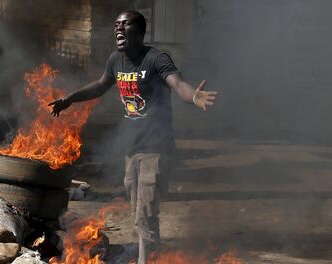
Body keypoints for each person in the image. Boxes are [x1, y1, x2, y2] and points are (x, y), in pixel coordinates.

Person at [48, 10, 217, 263]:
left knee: (145, 215)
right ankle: (153, 255)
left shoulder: (156, 58)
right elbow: (100, 84)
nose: (118, 29)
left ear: (139, 31)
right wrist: (71, 98)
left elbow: (178, 84)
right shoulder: (116, 60)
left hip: (155, 150)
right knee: (139, 214)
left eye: (125, 25)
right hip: (132, 151)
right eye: (116, 24)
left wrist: (194, 96)